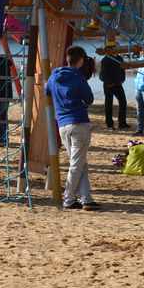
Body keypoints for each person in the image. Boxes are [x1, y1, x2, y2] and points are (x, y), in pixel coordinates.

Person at [46, 45, 99, 211]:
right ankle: (68, 199)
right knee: (77, 164)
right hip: (79, 123)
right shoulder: (79, 77)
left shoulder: (54, 77)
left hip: (62, 124)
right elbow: (89, 99)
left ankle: (86, 199)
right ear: (81, 60)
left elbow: (46, 91)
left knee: (79, 163)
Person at [99, 53, 128, 130]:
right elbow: (102, 75)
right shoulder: (105, 59)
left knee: (123, 102)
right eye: (112, 48)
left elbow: (122, 70)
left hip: (118, 84)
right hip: (108, 85)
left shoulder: (119, 58)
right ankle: (109, 125)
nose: (114, 49)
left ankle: (122, 123)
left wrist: (122, 79)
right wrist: (109, 82)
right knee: (109, 104)